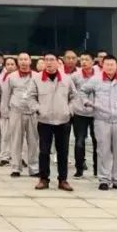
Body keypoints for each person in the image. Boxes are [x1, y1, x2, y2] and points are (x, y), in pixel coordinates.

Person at [79, 54, 117, 191]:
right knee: (103, 151)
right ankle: (104, 179)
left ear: (116, 66)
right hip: (102, 120)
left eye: (112, 64)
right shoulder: (96, 80)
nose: (110, 67)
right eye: (107, 64)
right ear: (102, 66)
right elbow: (82, 91)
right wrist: (87, 102)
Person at [33, 53, 75, 191]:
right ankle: (43, 179)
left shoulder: (66, 79)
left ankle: (63, 180)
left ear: (58, 62)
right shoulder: (37, 78)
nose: (49, 63)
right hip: (44, 120)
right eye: (46, 60)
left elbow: (74, 97)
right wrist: (38, 109)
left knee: (63, 152)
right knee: (44, 151)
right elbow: (30, 97)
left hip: (63, 120)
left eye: (52, 60)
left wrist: (69, 110)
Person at [1, 52, 39, 178]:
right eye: (21, 59)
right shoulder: (11, 77)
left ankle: (34, 168)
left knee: (33, 141)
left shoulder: (37, 76)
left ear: (30, 61)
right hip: (16, 111)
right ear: (18, 62)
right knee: (16, 140)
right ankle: (16, 167)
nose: (23, 62)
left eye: (25, 59)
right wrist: (5, 111)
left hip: (33, 112)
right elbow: (6, 95)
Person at [69, 52, 97, 177]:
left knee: (98, 141)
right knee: (79, 141)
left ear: (93, 61)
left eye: (87, 59)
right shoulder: (75, 76)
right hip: (79, 112)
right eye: (82, 60)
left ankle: (97, 169)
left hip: (96, 112)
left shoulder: (99, 75)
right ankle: (79, 169)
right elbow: (70, 92)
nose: (84, 62)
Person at [0, 56, 18, 167]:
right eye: (8, 64)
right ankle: (4, 157)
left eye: (12, 64)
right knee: (5, 136)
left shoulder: (20, 78)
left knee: (18, 137)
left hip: (18, 111)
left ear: (16, 66)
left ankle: (18, 157)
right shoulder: (0, 79)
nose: (10, 66)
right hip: (5, 111)